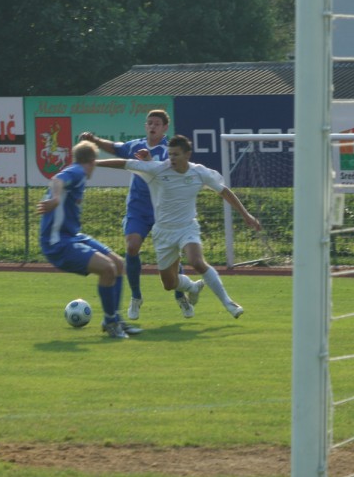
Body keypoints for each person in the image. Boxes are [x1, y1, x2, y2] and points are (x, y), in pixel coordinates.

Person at [96, 134, 261, 319]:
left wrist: (246, 215)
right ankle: (192, 286)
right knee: (169, 284)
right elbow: (125, 163)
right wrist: (94, 162)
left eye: (176, 154)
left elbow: (224, 191)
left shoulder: (200, 172)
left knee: (197, 261)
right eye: (170, 154)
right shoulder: (158, 169)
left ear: (187, 154)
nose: (172, 158)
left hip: (187, 228)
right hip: (163, 232)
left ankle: (229, 304)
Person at [80, 109, 192, 321]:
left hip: (163, 210)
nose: (152, 126)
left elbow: (175, 174)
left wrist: (150, 162)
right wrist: (93, 139)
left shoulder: (171, 152)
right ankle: (136, 298)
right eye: (149, 123)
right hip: (138, 209)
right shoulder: (135, 146)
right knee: (131, 247)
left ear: (165, 128)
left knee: (172, 257)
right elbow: (114, 148)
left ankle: (180, 295)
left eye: (157, 124)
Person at [38, 140, 141, 339]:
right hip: (57, 242)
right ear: (93, 161)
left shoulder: (77, 174)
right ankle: (111, 323)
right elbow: (57, 180)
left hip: (73, 236)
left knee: (119, 264)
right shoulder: (77, 172)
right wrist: (56, 198)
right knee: (108, 269)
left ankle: (115, 319)